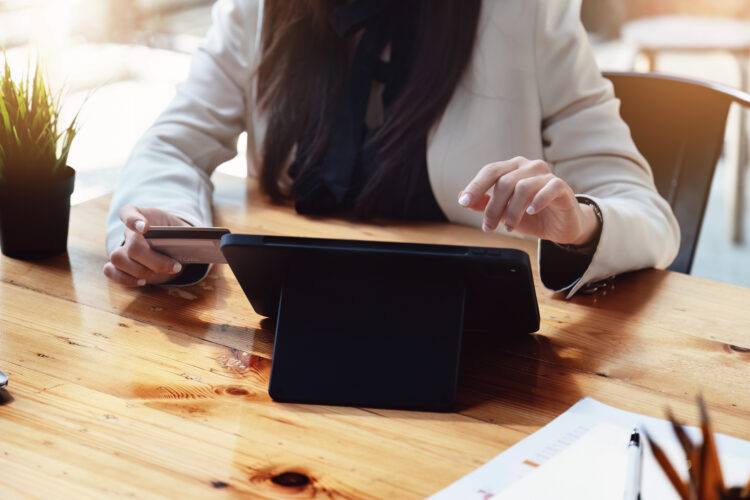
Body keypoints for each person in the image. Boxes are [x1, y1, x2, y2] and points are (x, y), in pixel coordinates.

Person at [104, 0, 680, 297]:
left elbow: (645, 211)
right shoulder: (261, 8)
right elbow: (172, 146)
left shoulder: (526, 12)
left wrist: (577, 222)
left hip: (471, 342)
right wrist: (169, 231)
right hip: (285, 325)